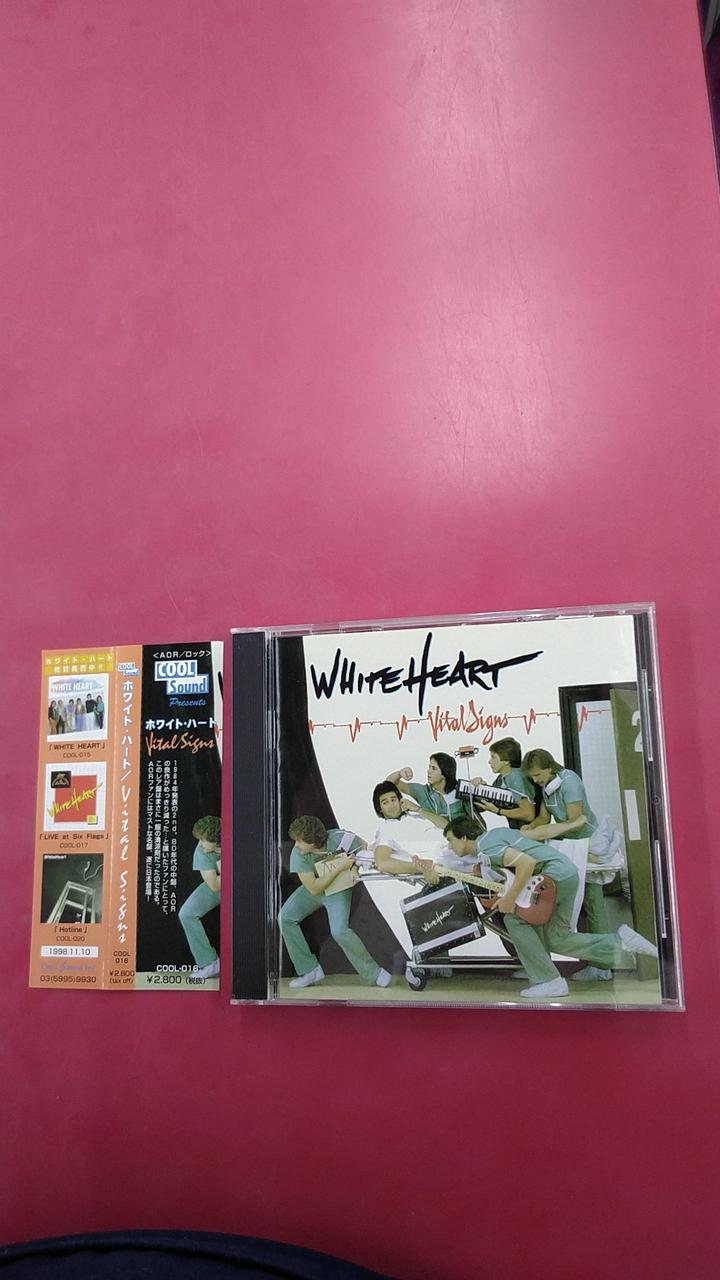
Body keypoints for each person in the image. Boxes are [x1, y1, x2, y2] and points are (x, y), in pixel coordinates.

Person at [443, 815, 658, 1000]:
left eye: (451, 840)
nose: (450, 846)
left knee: (514, 918)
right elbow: (533, 842)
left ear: (464, 837)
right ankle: (620, 941)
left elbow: (526, 863)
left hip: (553, 876)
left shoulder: (487, 847)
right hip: (567, 873)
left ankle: (548, 981)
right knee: (557, 937)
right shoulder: (496, 835)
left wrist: (510, 898)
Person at [521, 747, 612, 981]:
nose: (536, 780)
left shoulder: (569, 782)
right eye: (532, 777)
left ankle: (602, 966)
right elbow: (544, 817)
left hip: (586, 844)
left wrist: (544, 834)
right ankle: (590, 961)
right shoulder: (547, 786)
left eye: (538, 775)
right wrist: (532, 827)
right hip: (570, 846)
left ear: (550, 768)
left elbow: (575, 821)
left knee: (592, 903)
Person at [279, 815, 391, 990]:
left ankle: (374, 973)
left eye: (300, 841)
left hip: (338, 890)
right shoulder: (298, 854)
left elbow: (364, 848)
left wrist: (355, 869)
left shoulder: (342, 838)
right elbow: (314, 888)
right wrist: (340, 867)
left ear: (314, 841)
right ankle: (309, 970)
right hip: (315, 889)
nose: (296, 845)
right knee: (285, 917)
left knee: (339, 931)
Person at [178, 815, 221, 979]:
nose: (200, 843)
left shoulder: (235, 840)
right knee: (187, 913)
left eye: (204, 840)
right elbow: (215, 885)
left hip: (245, 885)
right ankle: (210, 963)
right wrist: (225, 863)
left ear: (217, 840)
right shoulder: (201, 851)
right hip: (221, 884)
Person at [386, 752, 475, 830]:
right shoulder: (423, 791)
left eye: (433, 768)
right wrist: (399, 774)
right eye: (429, 767)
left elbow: (476, 817)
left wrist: (477, 784)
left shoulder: (461, 790)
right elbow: (389, 783)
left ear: (444, 773)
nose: (428, 771)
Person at [474, 737, 536, 828]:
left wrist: (498, 811)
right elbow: (484, 806)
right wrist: (480, 788)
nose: (489, 762)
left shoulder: (516, 777)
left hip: (530, 830)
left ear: (506, 761)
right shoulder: (501, 779)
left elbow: (528, 814)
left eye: (493, 757)